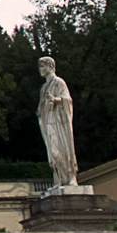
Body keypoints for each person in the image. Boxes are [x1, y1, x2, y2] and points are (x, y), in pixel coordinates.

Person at [37, 56, 79, 188]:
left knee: (64, 148)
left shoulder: (59, 82)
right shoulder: (43, 88)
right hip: (48, 122)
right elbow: (40, 109)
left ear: (50, 66)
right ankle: (59, 178)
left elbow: (68, 100)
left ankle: (71, 177)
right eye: (40, 66)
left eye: (43, 66)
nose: (40, 69)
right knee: (53, 151)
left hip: (60, 122)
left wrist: (56, 100)